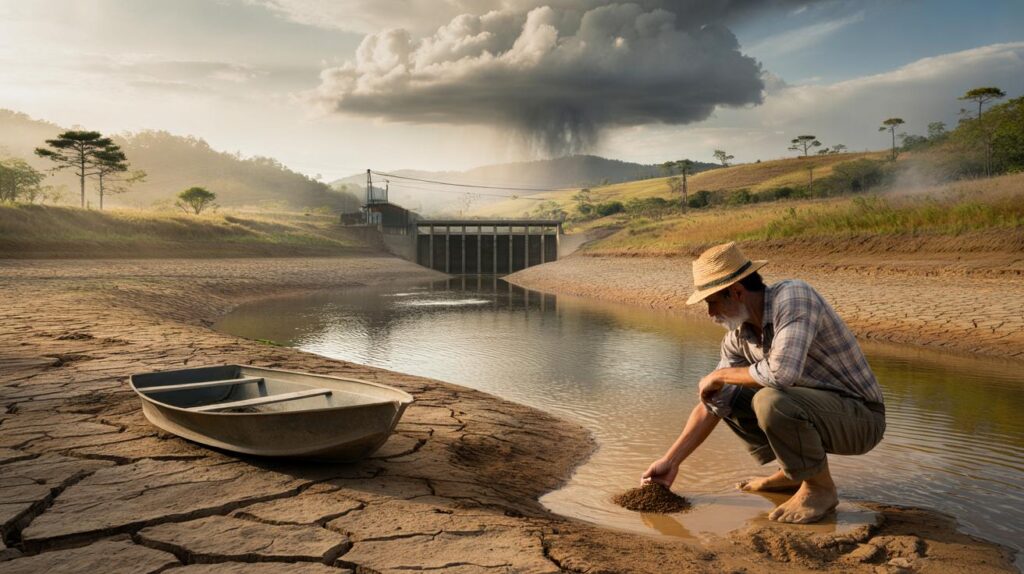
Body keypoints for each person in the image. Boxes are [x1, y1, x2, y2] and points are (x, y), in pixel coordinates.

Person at [641, 242, 886, 524]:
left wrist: (719, 375)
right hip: (815, 411)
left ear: (736, 291)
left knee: (769, 400)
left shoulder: (794, 297)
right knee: (725, 397)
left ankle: (819, 489)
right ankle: (794, 473)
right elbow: (711, 403)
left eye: (712, 302)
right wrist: (671, 462)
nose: (710, 313)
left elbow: (781, 374)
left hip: (861, 419)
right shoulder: (738, 338)